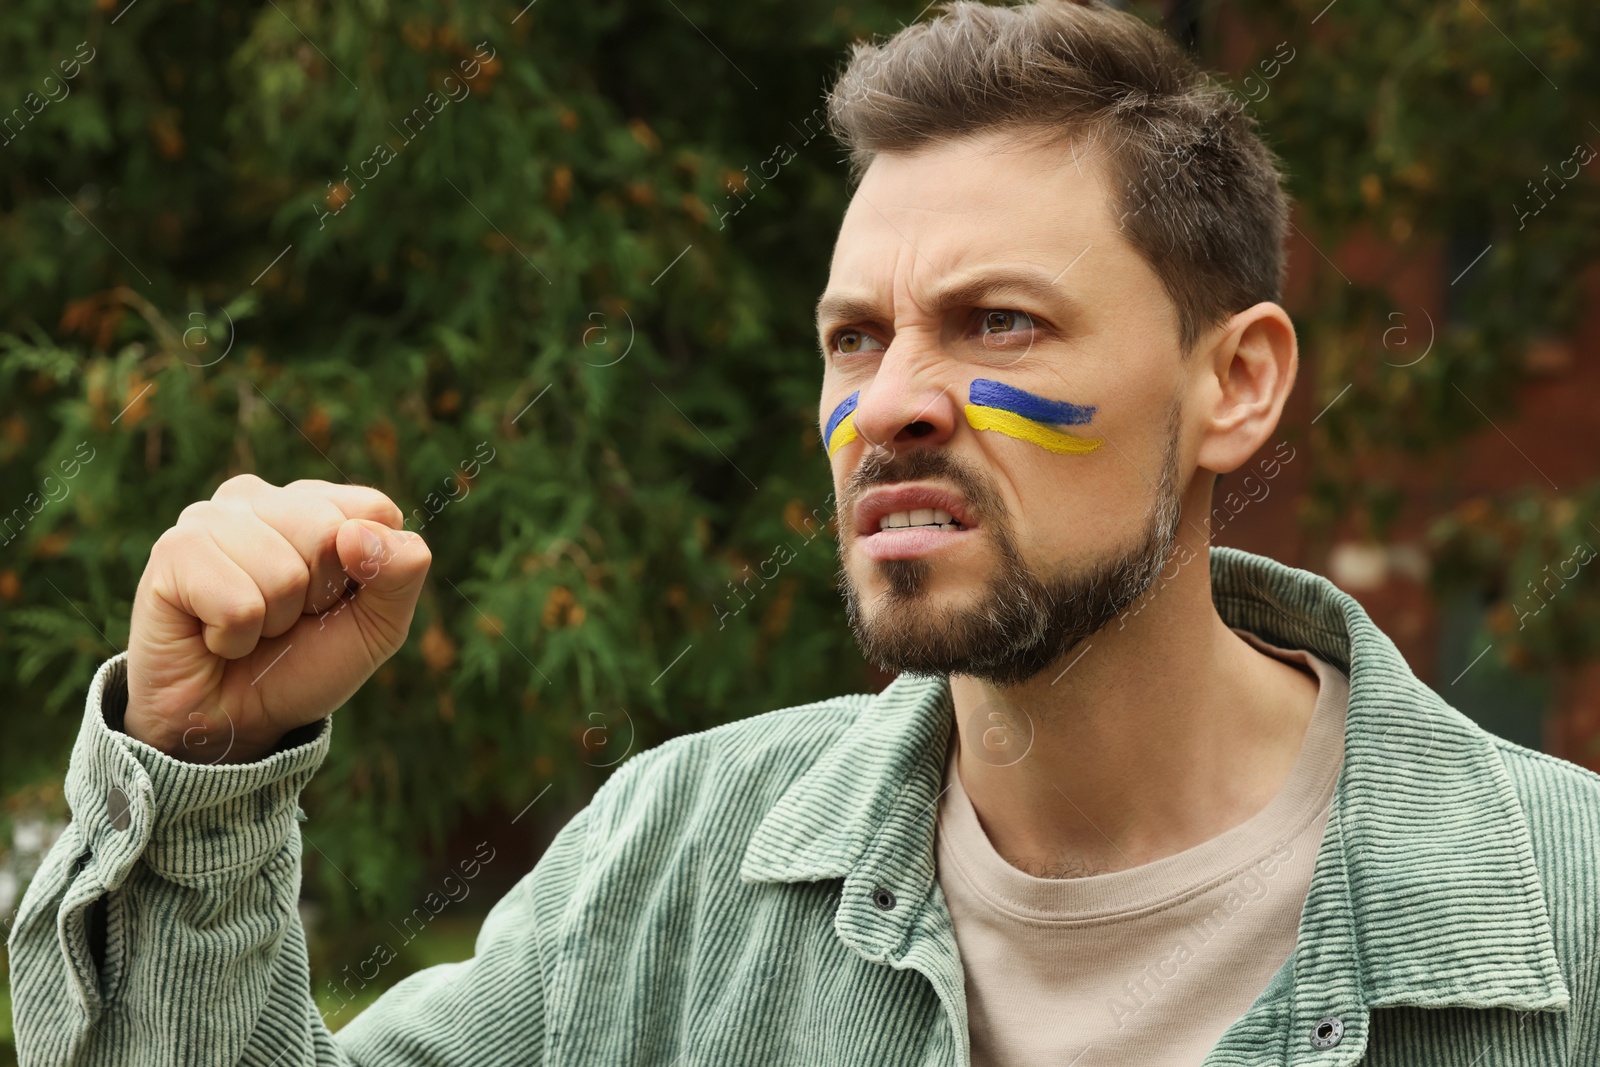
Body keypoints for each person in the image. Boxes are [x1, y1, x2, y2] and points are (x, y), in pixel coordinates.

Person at [10, 1, 1598, 1064]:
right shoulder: (676, 865)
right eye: (856, 339)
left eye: (1001, 325)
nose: (898, 401)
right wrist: (200, 775)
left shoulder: (1569, 914)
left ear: (1239, 382)